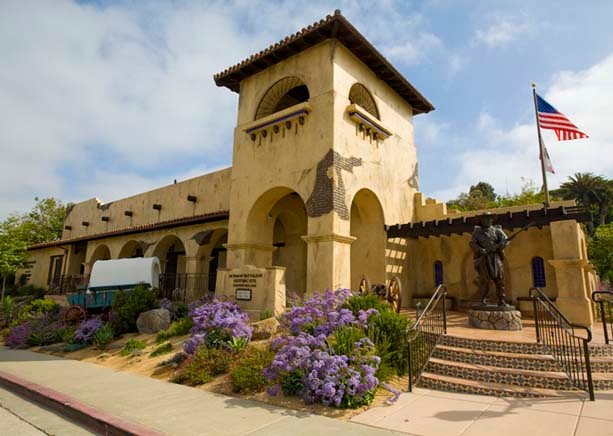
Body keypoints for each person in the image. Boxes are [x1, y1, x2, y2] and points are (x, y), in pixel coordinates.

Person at [469, 212, 510, 306]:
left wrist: (500, 246)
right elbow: (472, 243)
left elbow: (505, 241)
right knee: (484, 280)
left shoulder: (497, 230)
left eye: (489, 218)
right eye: (485, 218)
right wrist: (481, 250)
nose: (488, 220)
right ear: (481, 220)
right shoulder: (477, 232)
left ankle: (502, 300)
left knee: (500, 279)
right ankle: (483, 300)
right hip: (484, 258)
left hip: (495, 257)